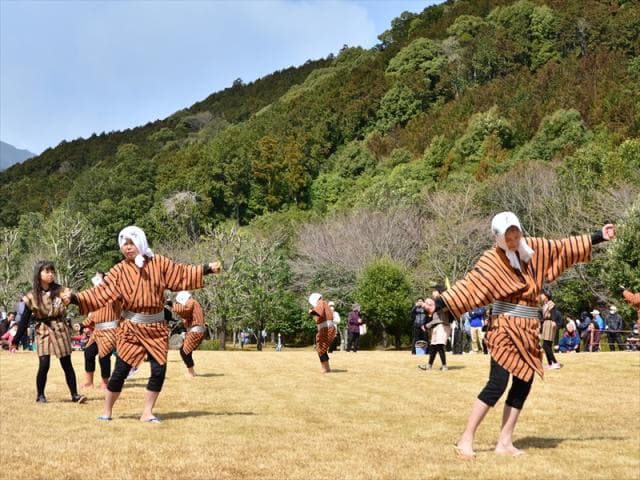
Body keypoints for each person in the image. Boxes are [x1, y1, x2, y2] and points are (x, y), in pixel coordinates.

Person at [425, 212, 614, 459]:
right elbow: (470, 286)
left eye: (516, 234)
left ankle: (505, 442)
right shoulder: (492, 260)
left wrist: (599, 236)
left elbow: (563, 247)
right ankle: (466, 438)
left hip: (528, 328)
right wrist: (440, 303)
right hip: (504, 327)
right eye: (508, 237)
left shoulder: (535, 248)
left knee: (524, 381)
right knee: (497, 383)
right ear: (498, 238)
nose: (514, 240)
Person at [63, 226, 220, 423]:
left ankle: (147, 412)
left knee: (159, 370)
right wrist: (75, 298)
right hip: (131, 327)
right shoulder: (119, 270)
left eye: (131, 243)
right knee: (120, 370)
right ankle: (107, 411)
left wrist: (206, 268)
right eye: (124, 244)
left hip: (156, 327)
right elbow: (100, 292)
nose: (128, 247)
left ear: (141, 242)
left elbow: (181, 273)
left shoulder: (159, 263)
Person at [11, 261, 87, 404]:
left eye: (52, 271)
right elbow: (24, 320)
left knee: (67, 364)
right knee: (44, 364)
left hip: (60, 327)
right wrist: (15, 340)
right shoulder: (31, 296)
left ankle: (75, 394)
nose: (51, 274)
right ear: (39, 274)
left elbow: (78, 301)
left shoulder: (61, 290)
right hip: (43, 329)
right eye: (47, 272)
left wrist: (72, 298)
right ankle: (40, 395)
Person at [81, 272, 120, 389]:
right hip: (97, 331)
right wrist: (82, 324)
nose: (96, 279)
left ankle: (105, 382)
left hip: (110, 331)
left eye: (99, 277)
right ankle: (89, 382)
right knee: (88, 352)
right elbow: (94, 315)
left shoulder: (114, 294)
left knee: (104, 356)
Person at [171, 290, 206, 377]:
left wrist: (172, 305)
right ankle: (191, 372)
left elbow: (185, 310)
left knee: (184, 352)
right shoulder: (194, 303)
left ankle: (191, 372)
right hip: (195, 330)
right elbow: (186, 315)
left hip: (195, 330)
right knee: (186, 351)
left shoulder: (191, 302)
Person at [419, 298, 450, 371]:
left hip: (442, 326)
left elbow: (437, 320)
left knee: (439, 345)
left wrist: (426, 326)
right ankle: (429, 365)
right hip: (436, 327)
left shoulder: (442, 307)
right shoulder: (435, 309)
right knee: (433, 347)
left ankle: (444, 366)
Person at [308, 293, 336, 373]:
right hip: (326, 329)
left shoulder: (321, 302)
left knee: (320, 348)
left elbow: (317, 312)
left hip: (326, 329)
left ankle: (325, 368)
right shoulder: (324, 304)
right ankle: (326, 367)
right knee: (321, 349)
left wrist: (311, 312)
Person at [540, 288, 562, 369]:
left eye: (542, 294)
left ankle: (555, 362)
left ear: (546, 296)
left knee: (546, 345)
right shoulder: (545, 304)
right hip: (546, 324)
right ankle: (550, 363)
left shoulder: (550, 303)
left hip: (549, 324)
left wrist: (553, 320)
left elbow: (554, 312)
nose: (541, 296)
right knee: (547, 345)